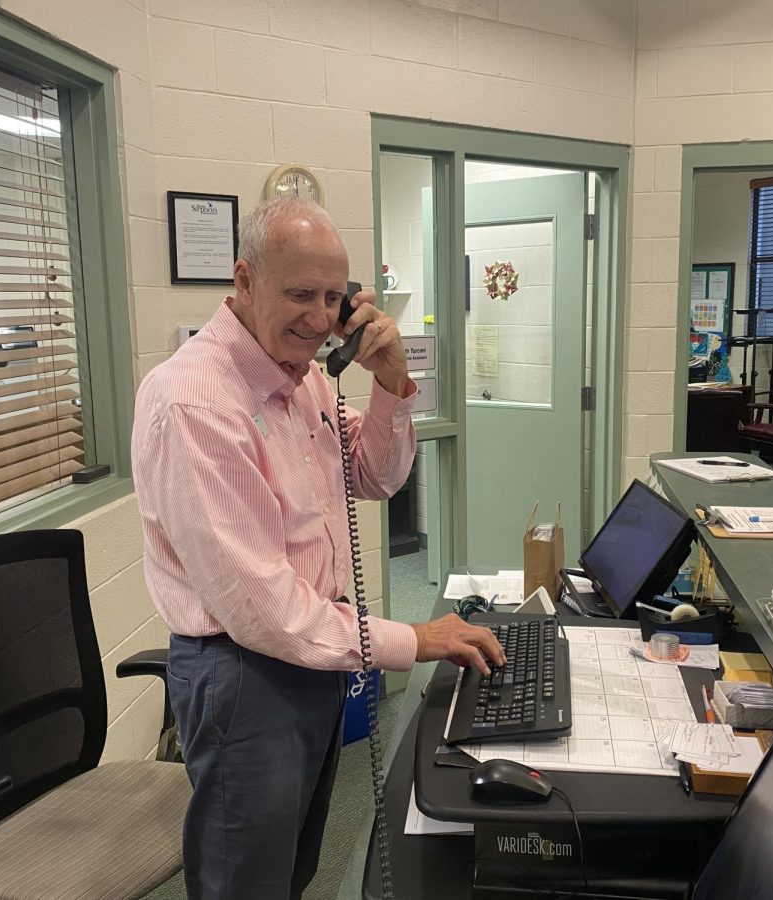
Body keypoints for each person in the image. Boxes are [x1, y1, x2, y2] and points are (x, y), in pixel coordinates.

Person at [131, 198, 505, 900]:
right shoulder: (196, 401)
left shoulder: (302, 381)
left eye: (334, 298)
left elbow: (376, 474)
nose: (318, 316)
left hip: (313, 658)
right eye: (300, 294)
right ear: (244, 280)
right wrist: (415, 638)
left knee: (293, 869)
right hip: (245, 671)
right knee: (246, 884)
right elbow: (262, 609)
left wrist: (391, 383)